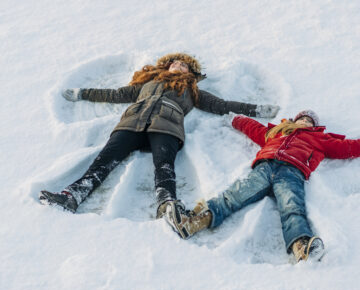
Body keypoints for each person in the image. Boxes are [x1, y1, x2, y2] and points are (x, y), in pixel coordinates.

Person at [39, 52, 279, 219]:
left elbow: (222, 105)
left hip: (167, 126)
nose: (178, 65)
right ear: (167, 66)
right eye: (175, 63)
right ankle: (73, 196)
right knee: (105, 159)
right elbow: (113, 94)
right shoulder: (146, 84)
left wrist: (255, 109)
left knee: (164, 165)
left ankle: (167, 203)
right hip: (132, 122)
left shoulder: (192, 90)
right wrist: (82, 93)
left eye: (184, 65)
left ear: (190, 72)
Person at [166, 110, 360, 262]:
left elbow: (349, 147)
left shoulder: (322, 139)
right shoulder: (278, 132)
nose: (306, 122)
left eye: (310, 121)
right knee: (235, 194)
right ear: (295, 120)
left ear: (315, 127)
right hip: (265, 167)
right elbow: (254, 128)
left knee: (292, 206)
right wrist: (236, 120)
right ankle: (194, 221)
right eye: (303, 118)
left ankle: (301, 245)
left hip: (292, 173)